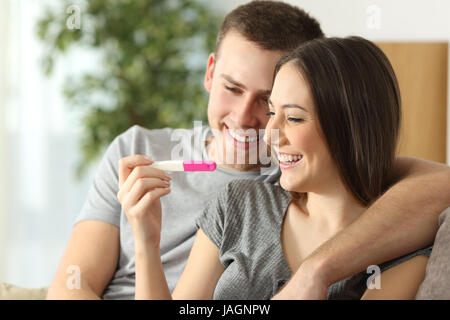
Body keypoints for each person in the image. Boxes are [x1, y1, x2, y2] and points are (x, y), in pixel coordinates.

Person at [46, 1, 450, 300]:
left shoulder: (296, 176)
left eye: (269, 103)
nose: (246, 119)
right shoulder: (138, 148)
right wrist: (145, 238)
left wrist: (316, 271)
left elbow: (410, 179)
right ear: (209, 72)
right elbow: (70, 286)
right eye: (232, 88)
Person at [128, 36, 435, 299]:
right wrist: (147, 242)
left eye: (294, 118)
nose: (270, 134)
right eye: (272, 112)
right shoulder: (239, 204)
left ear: (352, 129)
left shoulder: (401, 250)